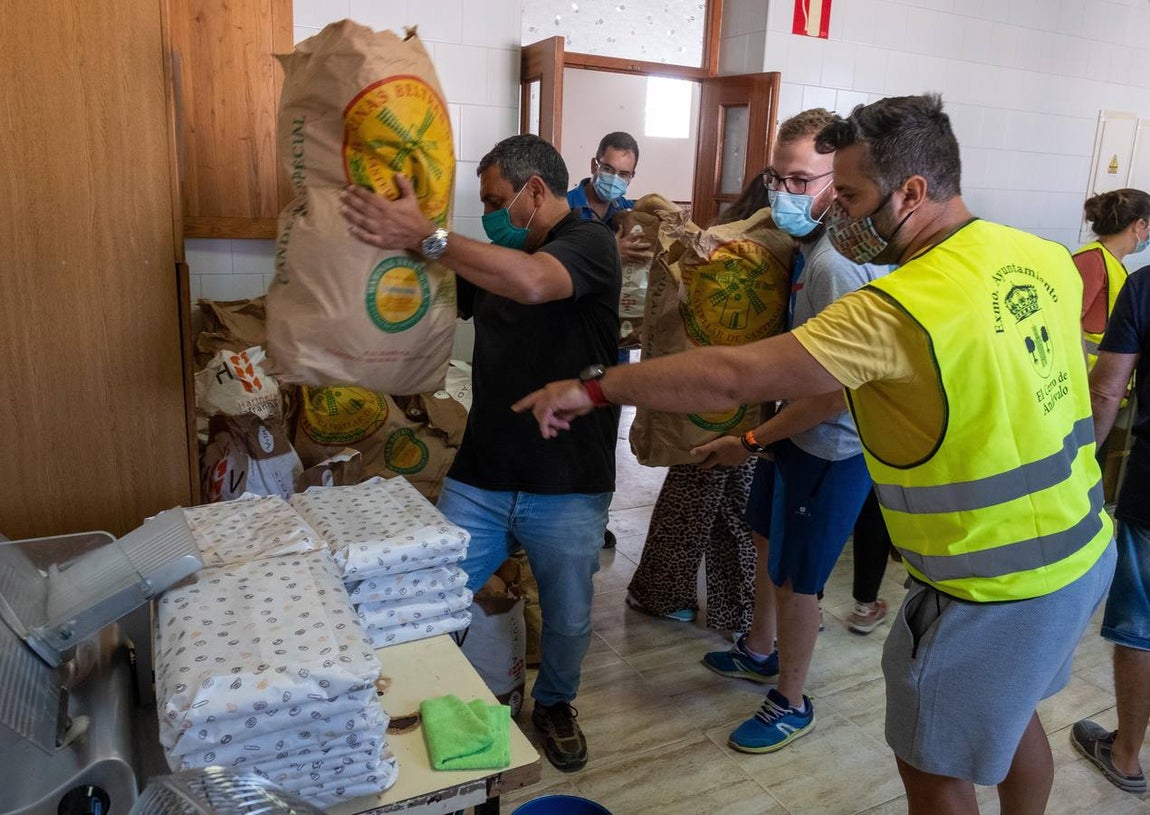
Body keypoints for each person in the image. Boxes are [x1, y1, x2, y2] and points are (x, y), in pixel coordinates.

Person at [514, 94, 1116, 815]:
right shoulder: (1040, 254)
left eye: (853, 195)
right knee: (1017, 723)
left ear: (914, 193)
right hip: (1079, 553)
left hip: (987, 586)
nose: (840, 213)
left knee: (932, 767)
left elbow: (737, 372)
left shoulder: (901, 307)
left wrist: (595, 387)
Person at [339, 133, 621, 774]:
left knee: (571, 620)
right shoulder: (498, 257)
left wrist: (429, 235)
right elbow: (427, 295)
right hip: (483, 476)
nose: (492, 213)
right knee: (428, 599)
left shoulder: (589, 245)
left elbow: (530, 284)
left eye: (497, 200)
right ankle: (414, 700)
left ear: (536, 192)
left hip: (568, 483)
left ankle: (554, 704)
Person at [686, 108, 886, 754]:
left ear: (837, 180)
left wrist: (751, 439)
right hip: (788, 433)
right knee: (766, 537)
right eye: (778, 176)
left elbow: (829, 395)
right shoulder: (807, 246)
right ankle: (759, 649)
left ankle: (791, 700)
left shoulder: (835, 266)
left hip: (830, 447)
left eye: (802, 180)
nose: (786, 193)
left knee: (801, 579)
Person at [623, 174, 772, 630]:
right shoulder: (761, 251)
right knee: (712, 500)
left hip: (712, 399)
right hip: (741, 399)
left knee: (717, 501)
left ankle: (713, 603)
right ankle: (722, 607)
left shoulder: (725, 242)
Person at [1071, 265, 1150, 796]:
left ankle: (1124, 756)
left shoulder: (1145, 285)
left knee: (1141, 625)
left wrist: (1081, 468)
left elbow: (1106, 391)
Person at [1072, 188, 1150, 371]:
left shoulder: (1113, 263)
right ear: (1139, 225)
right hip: (1088, 375)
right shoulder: (1092, 261)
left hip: (1104, 372)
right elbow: (1067, 321)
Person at [568, 131, 654, 265]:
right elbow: (552, 260)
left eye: (623, 174)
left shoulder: (629, 210)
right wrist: (609, 254)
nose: (614, 179)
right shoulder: (565, 206)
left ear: (631, 177)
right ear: (594, 165)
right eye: (608, 169)